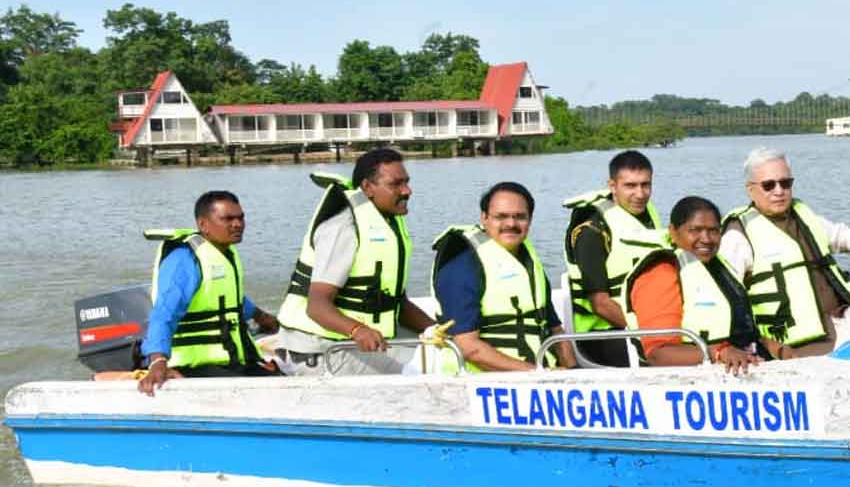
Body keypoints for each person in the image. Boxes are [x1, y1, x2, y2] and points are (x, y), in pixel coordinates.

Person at [720, 147, 850, 357]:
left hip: (839, 318)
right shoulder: (738, 235)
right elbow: (725, 297)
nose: (779, 191)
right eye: (769, 185)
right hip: (798, 341)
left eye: (785, 183)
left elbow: (840, 235)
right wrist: (759, 344)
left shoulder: (802, 215)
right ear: (750, 190)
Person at [275, 148, 435, 375]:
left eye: (407, 182)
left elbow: (398, 303)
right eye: (396, 184)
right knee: (416, 376)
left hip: (346, 341)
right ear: (368, 188)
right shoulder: (343, 229)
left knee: (437, 352)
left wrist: (437, 330)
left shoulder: (388, 222)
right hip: (318, 349)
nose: (407, 191)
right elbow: (317, 305)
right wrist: (357, 330)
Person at [625, 196, 789, 374]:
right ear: (673, 232)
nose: (706, 239)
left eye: (713, 231)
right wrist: (719, 352)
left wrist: (782, 350)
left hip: (747, 364)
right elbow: (658, 354)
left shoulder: (719, 267)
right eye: (695, 230)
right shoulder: (660, 273)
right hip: (693, 379)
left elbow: (744, 329)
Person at [138, 191, 281, 396]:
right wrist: (158, 361)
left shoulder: (224, 252)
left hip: (230, 360)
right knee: (263, 394)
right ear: (203, 225)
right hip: (194, 366)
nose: (238, 224)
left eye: (240, 217)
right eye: (228, 219)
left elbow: (228, 298)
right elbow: (163, 313)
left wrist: (260, 316)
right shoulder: (185, 259)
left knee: (280, 381)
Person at [432, 182, 576, 372]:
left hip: (539, 376)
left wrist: (574, 372)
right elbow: (468, 346)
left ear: (530, 219)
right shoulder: (461, 264)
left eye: (520, 217)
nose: (511, 224)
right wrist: (538, 374)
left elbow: (554, 329)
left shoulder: (529, 261)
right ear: (484, 218)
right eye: (501, 217)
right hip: (479, 382)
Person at [562, 149, 666, 366]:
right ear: (612, 186)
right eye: (630, 186)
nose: (640, 194)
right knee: (677, 353)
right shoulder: (592, 230)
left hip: (647, 321)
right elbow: (601, 304)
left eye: (645, 185)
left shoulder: (648, 214)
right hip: (603, 334)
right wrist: (649, 334)